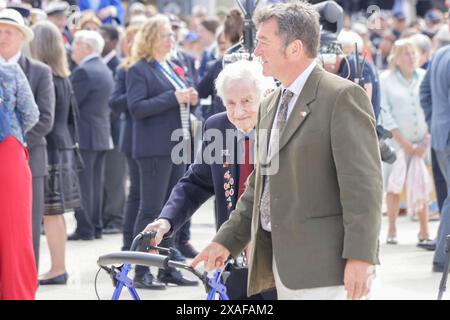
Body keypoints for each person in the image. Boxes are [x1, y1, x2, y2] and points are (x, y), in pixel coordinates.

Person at [190, 1, 382, 300]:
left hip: (326, 271)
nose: (256, 51)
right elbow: (258, 188)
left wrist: (361, 258)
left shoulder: (342, 97)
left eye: (264, 42)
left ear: (294, 48)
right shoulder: (271, 102)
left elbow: (364, 188)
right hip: (279, 268)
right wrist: (225, 242)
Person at [143, 60, 276, 300]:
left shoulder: (283, 128)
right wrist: (166, 220)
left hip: (277, 260)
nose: (238, 112)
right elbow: (195, 183)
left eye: (247, 101)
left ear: (266, 95)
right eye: (230, 103)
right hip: (233, 256)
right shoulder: (218, 125)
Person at [126, 15, 199, 289]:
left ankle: (167, 268)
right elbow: (137, 108)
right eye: (166, 35)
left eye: (172, 35)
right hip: (154, 148)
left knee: (172, 209)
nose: (172, 39)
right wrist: (174, 97)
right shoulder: (139, 69)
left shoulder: (173, 64)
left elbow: (177, 102)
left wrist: (188, 99)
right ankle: (142, 270)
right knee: (150, 210)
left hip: (177, 145)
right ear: (151, 39)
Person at [0, 8, 56, 268]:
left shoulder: (39, 71)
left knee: (26, 229)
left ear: (22, 37)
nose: (2, 37)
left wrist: (14, 145)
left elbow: (44, 118)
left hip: (27, 160)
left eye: (8, 32)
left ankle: (25, 283)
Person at [28, 21, 82, 285]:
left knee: (50, 212)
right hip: (63, 145)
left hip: (49, 147)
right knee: (55, 213)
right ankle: (57, 267)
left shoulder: (42, 74)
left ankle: (57, 268)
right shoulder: (63, 75)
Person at [379, 38, 431, 246]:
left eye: (414, 53)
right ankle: (391, 228)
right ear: (396, 59)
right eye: (406, 54)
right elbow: (385, 112)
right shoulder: (386, 79)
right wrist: (403, 142)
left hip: (422, 143)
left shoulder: (425, 77)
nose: (411, 58)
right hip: (398, 145)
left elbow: (433, 105)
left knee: (422, 185)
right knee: (394, 186)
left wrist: (427, 139)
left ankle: (425, 230)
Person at [68, 30, 114, 241]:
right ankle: (94, 226)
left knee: (85, 184)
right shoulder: (102, 68)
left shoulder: (84, 71)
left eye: (76, 44)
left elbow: (72, 105)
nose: (72, 49)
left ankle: (86, 228)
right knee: (95, 184)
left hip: (86, 135)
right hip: (100, 133)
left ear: (87, 47)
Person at [0, 63, 39, 300]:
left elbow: (32, 114)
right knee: (14, 232)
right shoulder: (8, 70)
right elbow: (31, 114)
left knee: (14, 232)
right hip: (9, 153)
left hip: (8, 155)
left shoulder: (9, 71)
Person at [109, 24, 141, 250]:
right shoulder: (125, 69)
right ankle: (128, 245)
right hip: (132, 137)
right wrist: (137, 95)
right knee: (136, 194)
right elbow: (115, 102)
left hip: (152, 137)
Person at [419, 43, 450, 272]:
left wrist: (434, 122)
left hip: (441, 135)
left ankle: (442, 257)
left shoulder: (441, 53)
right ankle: (442, 257)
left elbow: (424, 92)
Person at [100, 24, 127, 235]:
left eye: (102, 37)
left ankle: (116, 218)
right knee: (106, 177)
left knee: (115, 176)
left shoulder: (118, 65)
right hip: (103, 128)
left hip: (117, 128)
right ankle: (107, 215)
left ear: (112, 41)